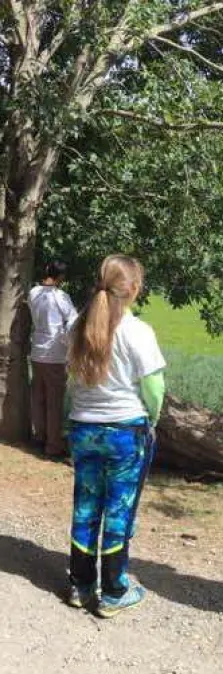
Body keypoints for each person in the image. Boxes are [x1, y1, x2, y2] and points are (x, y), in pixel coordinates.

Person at [64, 255, 166, 617]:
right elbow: (154, 389)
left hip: (83, 429)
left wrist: (69, 424)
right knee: (119, 510)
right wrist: (151, 418)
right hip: (125, 432)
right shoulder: (139, 332)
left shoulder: (78, 325)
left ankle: (80, 584)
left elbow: (70, 385)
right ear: (135, 289)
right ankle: (113, 590)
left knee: (86, 505)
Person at [28, 260, 78, 457]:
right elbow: (72, 324)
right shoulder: (61, 297)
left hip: (36, 352)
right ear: (61, 277)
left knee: (38, 399)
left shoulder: (33, 293)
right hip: (55, 355)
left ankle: (39, 438)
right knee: (54, 403)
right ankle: (53, 446)